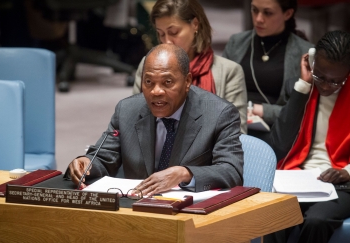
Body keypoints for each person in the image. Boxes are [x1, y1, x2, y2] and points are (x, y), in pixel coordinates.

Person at [67, 43, 244, 196]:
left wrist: (184, 173)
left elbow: (231, 170)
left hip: (188, 216)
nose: (156, 91)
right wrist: (86, 163)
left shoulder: (219, 114)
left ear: (187, 81)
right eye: (149, 82)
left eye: (167, 82)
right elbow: (105, 157)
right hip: (135, 210)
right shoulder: (127, 110)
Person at [264, 30, 350, 243]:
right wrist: (303, 88)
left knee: (316, 221)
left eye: (335, 81)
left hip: (343, 183)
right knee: (275, 213)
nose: (325, 86)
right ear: (312, 62)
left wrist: (347, 172)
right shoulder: (301, 87)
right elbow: (278, 145)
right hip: (300, 177)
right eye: (320, 76)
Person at [132, 0, 248, 134]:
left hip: (209, 153)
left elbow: (235, 135)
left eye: (174, 32)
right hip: (155, 150)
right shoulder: (148, 65)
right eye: (161, 33)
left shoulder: (229, 71)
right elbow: (134, 121)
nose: (167, 41)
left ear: (195, 25)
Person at [222, 0, 313, 135]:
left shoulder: (304, 53)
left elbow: (303, 111)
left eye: (267, 13)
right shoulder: (237, 42)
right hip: (232, 125)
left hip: (276, 131)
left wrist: (263, 111)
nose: (258, 19)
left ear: (287, 14)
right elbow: (219, 89)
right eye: (254, 10)